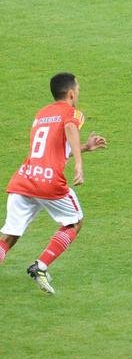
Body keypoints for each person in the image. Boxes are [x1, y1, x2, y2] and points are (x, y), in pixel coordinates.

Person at [1, 73, 107, 295]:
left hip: (24, 179)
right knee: (75, 222)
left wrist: (85, 147)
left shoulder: (42, 114)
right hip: (48, 183)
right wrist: (79, 163)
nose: (77, 94)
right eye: (77, 90)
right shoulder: (72, 113)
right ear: (70, 93)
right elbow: (69, 129)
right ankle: (40, 266)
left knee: (10, 237)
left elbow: (51, 149)